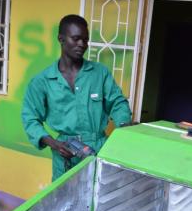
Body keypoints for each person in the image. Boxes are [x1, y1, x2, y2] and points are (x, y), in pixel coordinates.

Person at [22, 14, 132, 180]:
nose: (82, 44)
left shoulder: (99, 73)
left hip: (99, 149)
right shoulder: (42, 81)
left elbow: (117, 103)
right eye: (76, 38)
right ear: (61, 39)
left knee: (99, 197)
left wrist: (124, 125)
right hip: (64, 152)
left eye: (85, 40)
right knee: (64, 200)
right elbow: (30, 119)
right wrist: (54, 143)